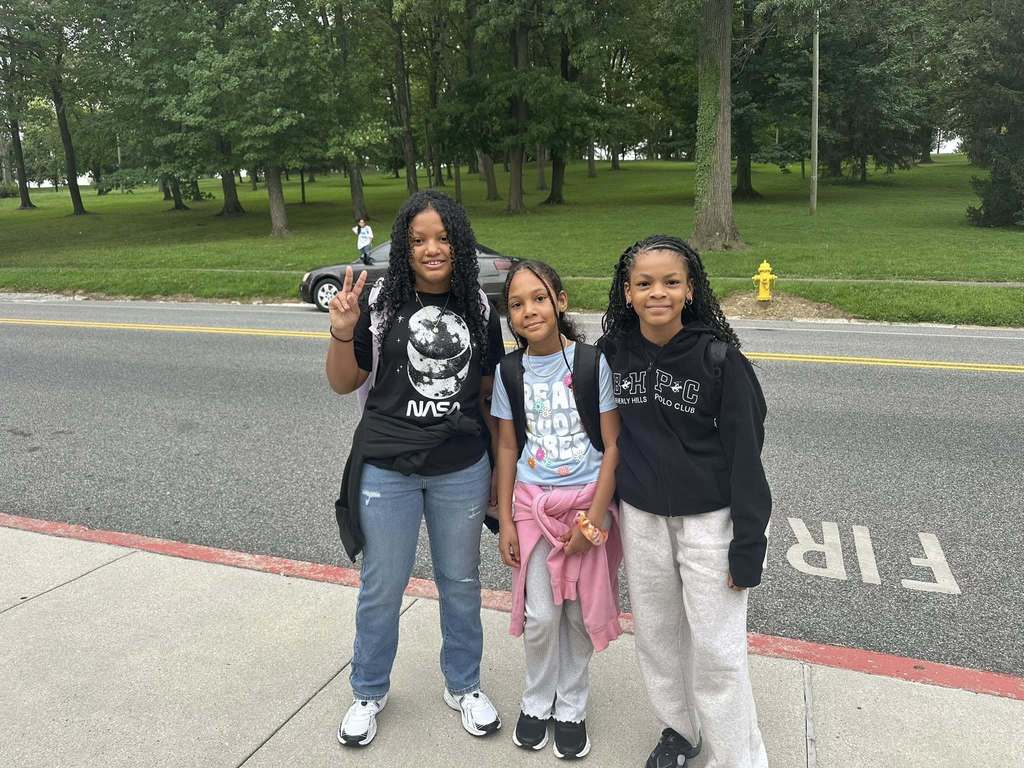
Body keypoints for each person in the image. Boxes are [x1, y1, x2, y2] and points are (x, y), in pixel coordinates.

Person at [326, 190, 504, 748]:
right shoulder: (378, 304)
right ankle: (368, 690)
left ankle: (464, 684)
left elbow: (485, 395)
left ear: (460, 243)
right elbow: (343, 381)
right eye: (419, 239)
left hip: (461, 467)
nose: (432, 248)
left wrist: (500, 476)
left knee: (461, 581)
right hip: (387, 466)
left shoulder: (478, 306)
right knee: (382, 585)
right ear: (403, 246)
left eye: (443, 237)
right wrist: (341, 329)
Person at [599, 235, 771, 768]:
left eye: (671, 282)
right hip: (643, 518)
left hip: (709, 522)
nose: (658, 293)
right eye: (645, 283)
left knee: (718, 652)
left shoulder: (719, 358)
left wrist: (749, 542)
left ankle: (737, 757)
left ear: (690, 289)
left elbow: (747, 456)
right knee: (657, 638)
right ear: (627, 292)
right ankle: (678, 730)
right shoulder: (611, 354)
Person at [491, 260, 622, 760]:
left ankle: (570, 706)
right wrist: (505, 518)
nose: (529, 310)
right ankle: (536, 700)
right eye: (517, 304)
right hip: (533, 505)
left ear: (561, 302)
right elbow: (506, 448)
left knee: (578, 616)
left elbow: (612, 446)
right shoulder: (510, 370)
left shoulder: (593, 363)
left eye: (539, 298)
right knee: (542, 614)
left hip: (587, 504)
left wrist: (598, 520)